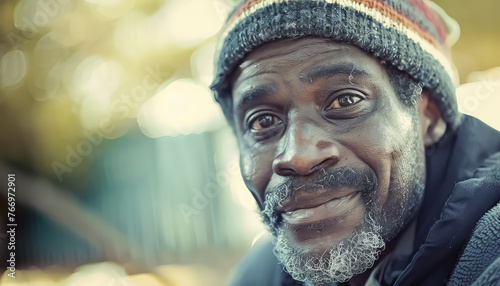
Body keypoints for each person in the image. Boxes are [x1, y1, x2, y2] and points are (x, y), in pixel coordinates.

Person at [209, 0, 500, 285]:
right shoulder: (258, 276)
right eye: (263, 121)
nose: (298, 156)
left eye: (345, 100)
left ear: (430, 117)